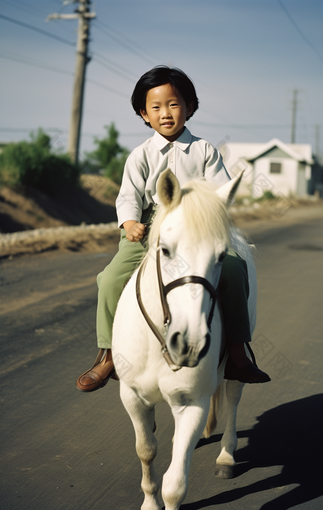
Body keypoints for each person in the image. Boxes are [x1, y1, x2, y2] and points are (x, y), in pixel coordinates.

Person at [76, 66, 270, 392]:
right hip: (149, 228)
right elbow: (127, 196)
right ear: (143, 113)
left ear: (190, 107)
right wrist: (129, 222)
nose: (165, 113)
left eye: (174, 104)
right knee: (109, 279)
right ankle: (108, 353)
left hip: (198, 229)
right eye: (156, 107)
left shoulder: (205, 151)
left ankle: (237, 351)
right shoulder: (140, 155)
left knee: (235, 270)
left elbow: (221, 194)